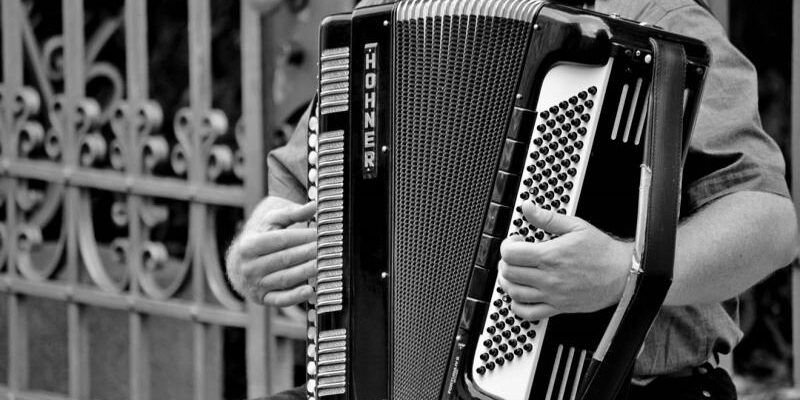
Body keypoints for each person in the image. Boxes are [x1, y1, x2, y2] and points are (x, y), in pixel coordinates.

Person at [225, 0, 799, 398]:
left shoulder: (663, 23)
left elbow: (769, 220)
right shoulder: (390, 24)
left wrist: (621, 272)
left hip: (631, 389)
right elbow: (294, 191)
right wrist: (254, 251)